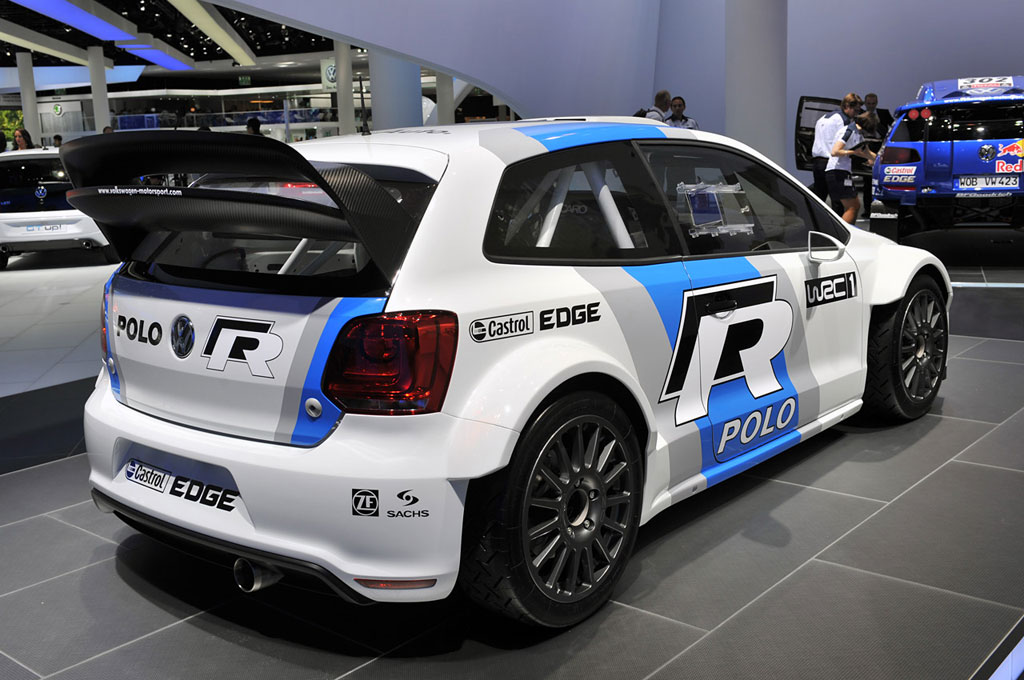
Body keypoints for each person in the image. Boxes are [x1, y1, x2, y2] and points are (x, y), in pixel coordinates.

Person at [826, 111, 878, 224]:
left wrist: (881, 160)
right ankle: (845, 232)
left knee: (855, 206)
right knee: (852, 207)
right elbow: (835, 151)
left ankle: (849, 230)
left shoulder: (859, 134)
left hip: (843, 172)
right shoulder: (848, 131)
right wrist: (853, 152)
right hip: (837, 171)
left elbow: (867, 153)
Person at [810, 92, 862, 204]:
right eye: (856, 110)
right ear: (847, 106)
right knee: (838, 201)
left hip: (817, 163)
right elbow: (845, 143)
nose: (857, 114)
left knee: (818, 199)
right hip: (832, 164)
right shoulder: (845, 122)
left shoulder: (822, 118)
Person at [861, 93, 894, 216]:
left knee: (882, 179)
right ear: (865, 103)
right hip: (867, 148)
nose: (871, 106)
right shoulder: (860, 115)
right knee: (867, 181)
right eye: (869, 103)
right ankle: (867, 209)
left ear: (877, 103)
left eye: (873, 103)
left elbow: (893, 127)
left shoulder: (883, 113)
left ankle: (883, 207)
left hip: (881, 148)